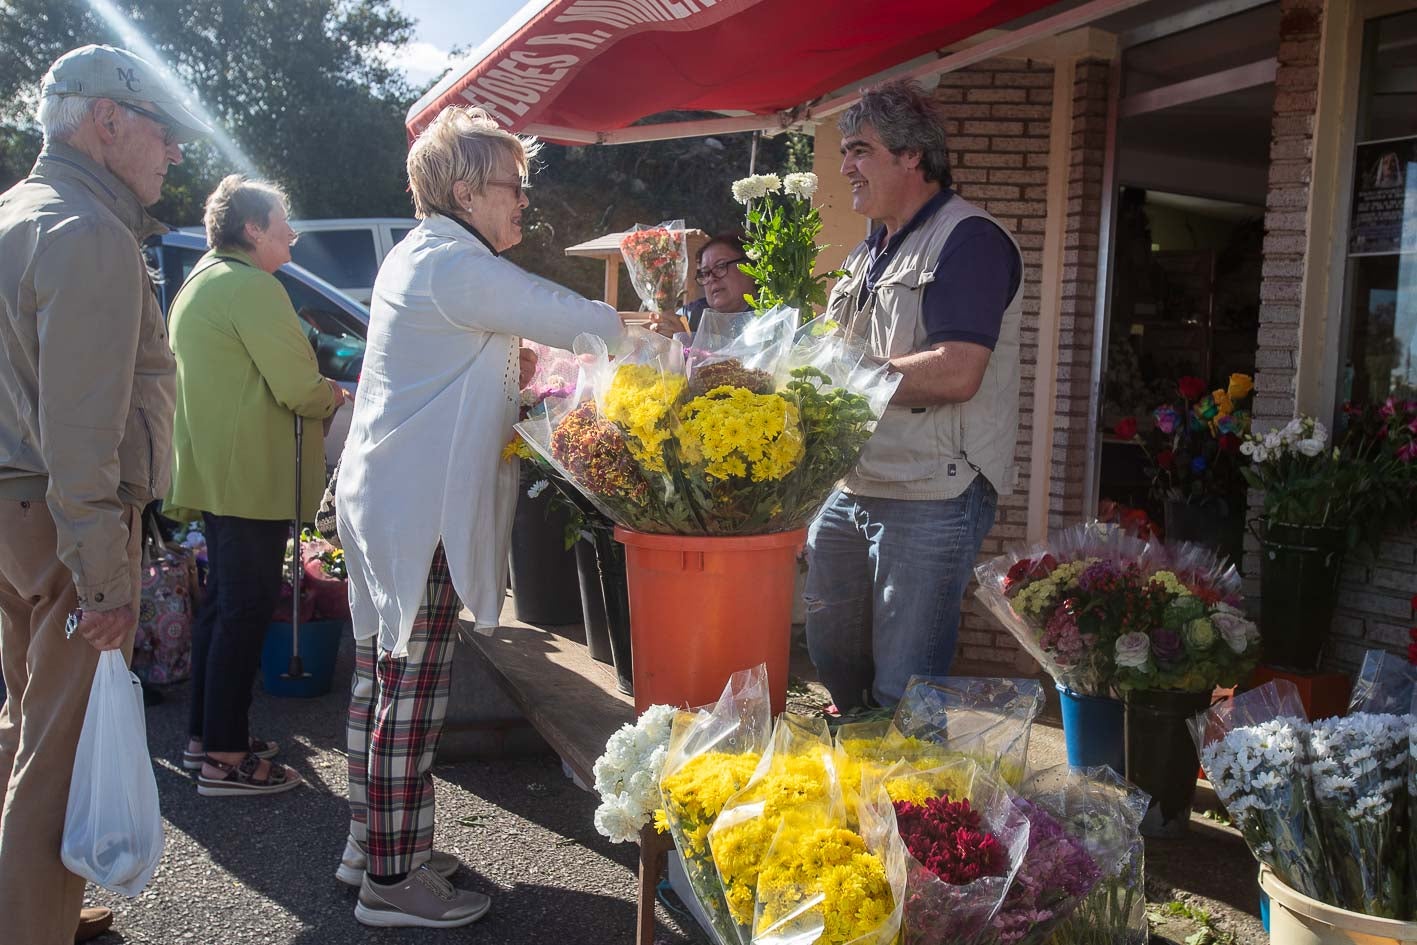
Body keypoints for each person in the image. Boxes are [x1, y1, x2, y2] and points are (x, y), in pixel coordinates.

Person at [336, 105, 624, 928]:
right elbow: (587, 322)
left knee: (378, 678)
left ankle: (375, 846)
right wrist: (648, 329)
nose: (522, 202)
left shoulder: (425, 253)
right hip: (412, 506)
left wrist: (515, 360)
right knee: (410, 689)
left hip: (386, 496)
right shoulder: (454, 264)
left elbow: (475, 349)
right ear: (465, 190)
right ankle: (392, 885)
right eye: (513, 186)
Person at [0, 44, 210, 944]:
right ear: (106, 121)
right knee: (56, 760)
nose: (172, 153)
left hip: (20, 512)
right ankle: (30, 923)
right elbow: (83, 432)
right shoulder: (86, 232)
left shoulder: (20, 212)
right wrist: (105, 581)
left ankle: (36, 905)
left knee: (24, 727)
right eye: (161, 131)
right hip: (61, 519)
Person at [805, 79, 1024, 712]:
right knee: (834, 660)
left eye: (859, 150)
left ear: (912, 157)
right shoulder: (868, 249)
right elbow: (834, 351)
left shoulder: (970, 241)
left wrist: (845, 379)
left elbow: (958, 372)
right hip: (853, 484)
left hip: (933, 489)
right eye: (846, 151)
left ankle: (904, 805)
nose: (845, 166)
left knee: (906, 689)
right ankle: (857, 782)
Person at [167, 174, 347, 797]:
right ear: (252, 230)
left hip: (218, 472)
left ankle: (208, 737)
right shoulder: (253, 288)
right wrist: (334, 393)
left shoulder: (200, 280)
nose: (291, 233)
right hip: (250, 477)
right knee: (242, 611)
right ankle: (224, 755)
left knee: (223, 608)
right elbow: (299, 387)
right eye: (282, 222)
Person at [675, 231, 756, 333]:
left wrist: (687, 344)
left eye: (720, 266)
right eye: (705, 273)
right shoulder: (691, 316)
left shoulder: (770, 315)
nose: (711, 278)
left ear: (749, 267)